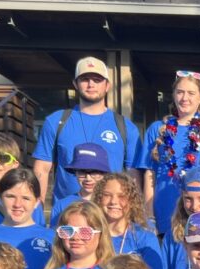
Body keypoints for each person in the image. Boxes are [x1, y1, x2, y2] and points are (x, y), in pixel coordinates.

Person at [32, 56, 142, 205]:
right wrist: (37, 207)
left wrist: (135, 212)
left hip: (108, 214)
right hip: (66, 213)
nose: (91, 84)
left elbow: (133, 175)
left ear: (107, 85)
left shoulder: (126, 127)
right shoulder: (56, 122)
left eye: (97, 80)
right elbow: (42, 169)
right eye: (85, 79)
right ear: (75, 84)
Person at [141, 71, 200, 235]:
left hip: (198, 216)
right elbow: (149, 175)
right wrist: (149, 215)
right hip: (163, 215)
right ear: (173, 95)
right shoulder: (157, 129)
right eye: (180, 92)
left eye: (191, 93)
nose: (184, 98)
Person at [96, 172, 165, 269]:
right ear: (99, 198)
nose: (113, 201)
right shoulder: (90, 235)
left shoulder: (144, 238)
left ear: (132, 201)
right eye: (107, 195)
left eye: (122, 196)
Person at [49, 143, 111, 226]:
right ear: (75, 172)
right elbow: (55, 237)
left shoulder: (110, 204)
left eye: (94, 172)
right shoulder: (61, 206)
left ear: (104, 174)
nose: (88, 178)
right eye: (82, 172)